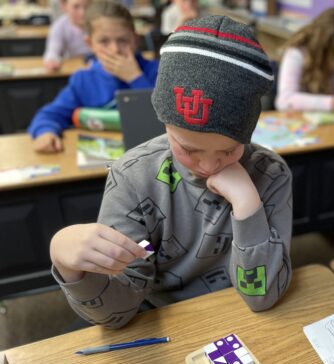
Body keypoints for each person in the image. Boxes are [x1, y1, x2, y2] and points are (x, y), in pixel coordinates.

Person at [49, 15, 293, 329]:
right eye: (188, 149)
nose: (208, 166)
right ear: (164, 123)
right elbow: (117, 314)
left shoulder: (271, 174)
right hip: (161, 321)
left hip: (242, 317)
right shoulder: (133, 178)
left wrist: (248, 204)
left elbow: (263, 296)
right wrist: (70, 268)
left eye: (229, 150)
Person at [29, 1, 159, 154]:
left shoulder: (156, 71)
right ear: (90, 44)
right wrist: (45, 132)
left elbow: (165, 118)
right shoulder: (84, 80)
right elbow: (50, 114)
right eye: (104, 41)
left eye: (123, 41)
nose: (114, 50)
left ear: (135, 40)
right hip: (103, 163)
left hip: (149, 157)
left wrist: (135, 78)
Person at [43, 0, 91, 72]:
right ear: (63, 6)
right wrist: (51, 61)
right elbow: (52, 51)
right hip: (72, 70)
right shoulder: (59, 26)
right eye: (76, 7)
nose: (82, 12)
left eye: (87, 7)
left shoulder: (98, 24)